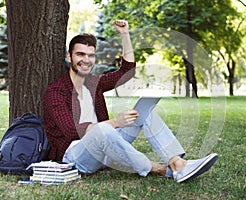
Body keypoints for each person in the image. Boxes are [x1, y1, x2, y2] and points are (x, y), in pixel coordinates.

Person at [43, 20, 218, 183]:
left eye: (91, 55)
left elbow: (127, 71)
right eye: (80, 54)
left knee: (143, 112)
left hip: (106, 146)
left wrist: (125, 34)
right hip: (77, 156)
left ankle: (177, 163)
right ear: (69, 57)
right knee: (104, 129)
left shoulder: (94, 83)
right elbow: (72, 131)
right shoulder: (56, 91)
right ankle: (160, 169)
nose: (86, 60)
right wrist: (115, 122)